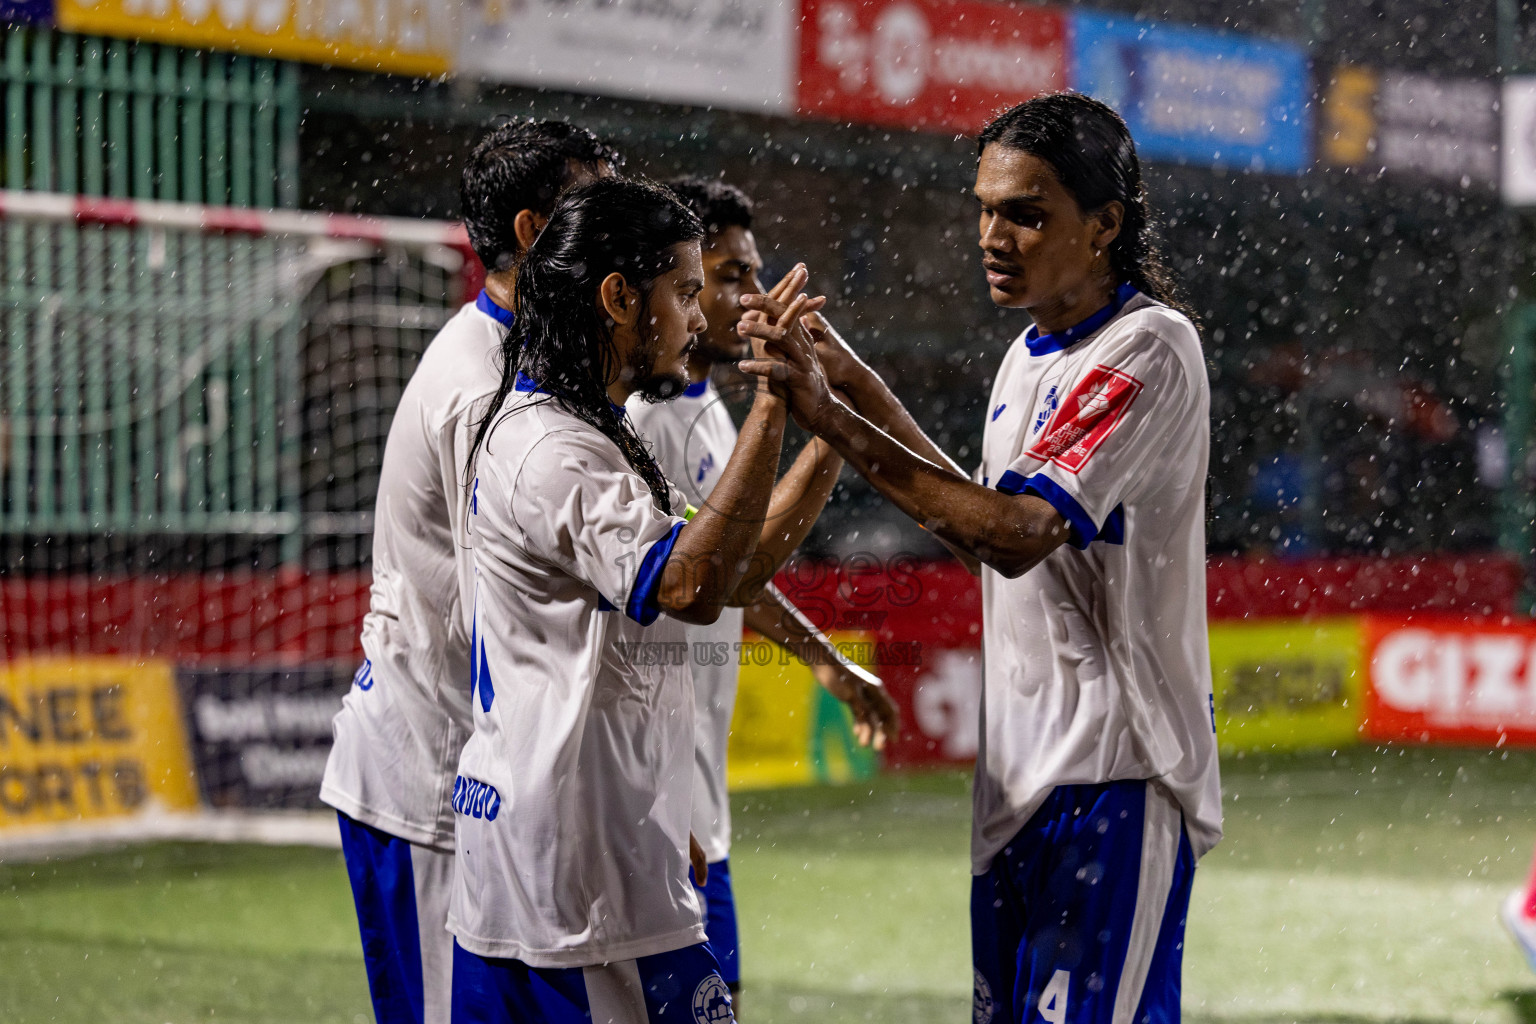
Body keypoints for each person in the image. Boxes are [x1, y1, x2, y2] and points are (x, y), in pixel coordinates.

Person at [736, 92, 1222, 1024]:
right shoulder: (1026, 357)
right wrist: (852, 378)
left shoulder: (1150, 346)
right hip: (1018, 781)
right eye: (985, 208)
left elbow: (1017, 536)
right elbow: (978, 523)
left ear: (1105, 225)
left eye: (1028, 214)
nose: (994, 235)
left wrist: (827, 415)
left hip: (1114, 772)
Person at [449, 176, 824, 1023]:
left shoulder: (571, 427)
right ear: (619, 297)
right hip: (581, 885)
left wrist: (824, 427)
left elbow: (729, 564)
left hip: (547, 850)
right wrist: (775, 399)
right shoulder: (556, 450)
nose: (699, 320)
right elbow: (693, 587)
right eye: (687, 292)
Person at [318, 119, 622, 1024]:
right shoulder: (477, 388)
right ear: (534, 233)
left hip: (473, 781)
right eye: (590, 208)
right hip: (429, 788)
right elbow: (497, 616)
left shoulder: (531, 360)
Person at [625, 176, 900, 1004]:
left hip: (697, 797)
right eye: (727, 274)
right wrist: (833, 422)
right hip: (655, 803)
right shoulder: (646, 422)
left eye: (752, 271)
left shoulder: (705, 407)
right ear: (675, 282)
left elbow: (737, 569)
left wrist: (825, 664)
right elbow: (721, 576)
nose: (747, 293)